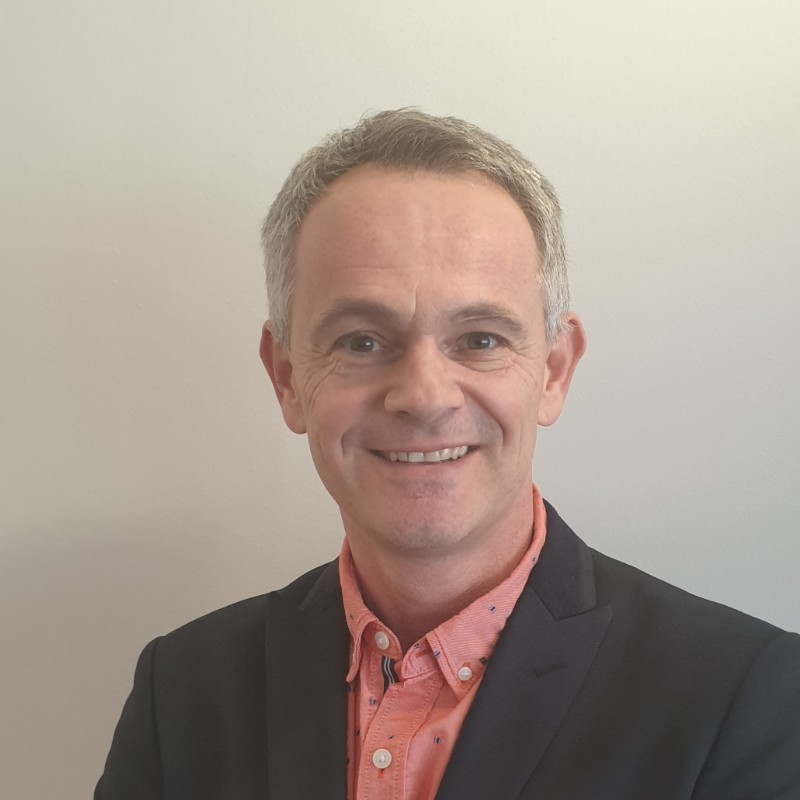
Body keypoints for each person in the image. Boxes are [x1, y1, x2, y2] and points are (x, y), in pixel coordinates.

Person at [96, 110, 800, 800]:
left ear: (554, 371)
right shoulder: (181, 692)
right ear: (286, 378)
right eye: (361, 341)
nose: (424, 397)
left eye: (480, 339)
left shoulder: (743, 697)